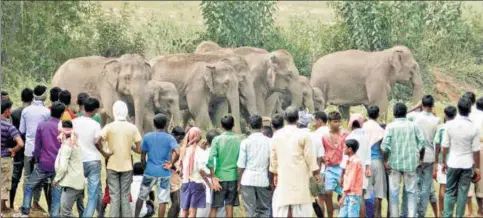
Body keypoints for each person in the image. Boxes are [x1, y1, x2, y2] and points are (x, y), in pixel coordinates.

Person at [15, 102, 66, 217]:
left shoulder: (42, 125)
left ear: (50, 111)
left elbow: (37, 146)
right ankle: (54, 214)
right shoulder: (64, 127)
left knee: (29, 186)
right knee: (56, 191)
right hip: (58, 165)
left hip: (43, 163)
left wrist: (36, 158)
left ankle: (25, 211)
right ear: (62, 114)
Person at [269, 106, 320, 217]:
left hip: (284, 177)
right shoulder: (304, 135)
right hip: (301, 177)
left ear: (285, 119)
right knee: (301, 206)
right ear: (297, 119)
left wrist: (275, 173)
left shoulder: (277, 135)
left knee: (284, 205)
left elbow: (273, 158)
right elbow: (310, 158)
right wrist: (316, 174)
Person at [382, 103, 426, 217]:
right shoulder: (413, 126)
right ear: (406, 113)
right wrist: (420, 159)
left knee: (394, 193)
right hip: (411, 164)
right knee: (411, 193)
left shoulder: (390, 127)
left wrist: (385, 161)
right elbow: (422, 143)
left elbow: (384, 147)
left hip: (394, 164)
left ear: (394, 113)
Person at [100, 100, 142, 217]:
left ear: (114, 111)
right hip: (127, 167)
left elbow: (96, 141)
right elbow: (139, 149)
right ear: (126, 112)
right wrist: (129, 144)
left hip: (112, 165)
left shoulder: (109, 127)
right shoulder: (132, 128)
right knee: (125, 196)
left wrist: (104, 153)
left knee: (114, 196)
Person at [442, 97, 481, 217]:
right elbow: (476, 151)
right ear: (470, 110)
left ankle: (447, 215)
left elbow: (445, 147)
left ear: (458, 109)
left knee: (449, 192)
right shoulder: (473, 127)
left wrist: (444, 162)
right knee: (463, 193)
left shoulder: (449, 125)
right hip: (467, 164)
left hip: (453, 162)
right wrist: (477, 168)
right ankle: (459, 215)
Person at [135, 113, 179, 218]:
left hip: (149, 171)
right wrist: (171, 163)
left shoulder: (147, 136)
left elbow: (143, 154)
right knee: (163, 200)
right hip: (164, 172)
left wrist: (144, 165)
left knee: (141, 197)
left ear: (154, 124)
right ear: (166, 124)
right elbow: (177, 152)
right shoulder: (170, 138)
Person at [407, 95, 441, 217]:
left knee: (415, 185)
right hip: (430, 156)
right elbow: (437, 142)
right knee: (426, 187)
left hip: (416, 155)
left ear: (422, 105)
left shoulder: (415, 117)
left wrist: (415, 107)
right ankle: (421, 213)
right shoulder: (436, 120)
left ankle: (414, 212)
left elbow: (401, 115)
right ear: (432, 106)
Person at [18, 85, 51, 212]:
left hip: (28, 149)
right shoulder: (47, 112)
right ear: (43, 96)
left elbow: (22, 130)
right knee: (39, 177)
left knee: (27, 177)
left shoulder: (26, 111)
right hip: (41, 151)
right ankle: (35, 203)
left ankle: (25, 204)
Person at [72, 97, 106, 217]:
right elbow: (97, 142)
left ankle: (79, 212)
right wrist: (104, 153)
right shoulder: (96, 124)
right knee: (93, 194)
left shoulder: (74, 122)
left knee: (77, 190)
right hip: (93, 161)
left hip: (78, 160)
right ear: (95, 110)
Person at [206, 115, 242, 218]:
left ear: (221, 125)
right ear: (233, 125)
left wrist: (213, 176)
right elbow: (240, 162)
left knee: (214, 207)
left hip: (220, 178)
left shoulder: (217, 140)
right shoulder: (238, 140)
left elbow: (211, 159)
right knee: (229, 207)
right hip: (233, 177)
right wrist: (239, 180)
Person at [237, 114, 271, 217]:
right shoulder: (269, 141)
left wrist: (239, 182)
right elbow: (271, 163)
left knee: (250, 211)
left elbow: (241, 166)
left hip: (247, 180)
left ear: (249, 126)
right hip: (263, 180)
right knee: (264, 209)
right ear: (262, 126)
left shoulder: (245, 142)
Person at [341, 114, 370, 217]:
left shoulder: (349, 137)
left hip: (351, 173)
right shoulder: (366, 138)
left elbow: (345, 161)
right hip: (362, 172)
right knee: (360, 198)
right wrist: (367, 169)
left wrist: (342, 176)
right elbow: (368, 157)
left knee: (349, 201)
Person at [53, 120, 84, 217]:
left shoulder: (67, 146)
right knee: (68, 211)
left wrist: (56, 180)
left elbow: (63, 167)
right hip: (77, 182)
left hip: (71, 184)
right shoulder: (75, 142)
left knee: (65, 212)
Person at [9, 88, 33, 209]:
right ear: (32, 98)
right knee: (29, 179)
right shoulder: (34, 113)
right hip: (31, 149)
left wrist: (12, 149)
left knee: (15, 179)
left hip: (18, 149)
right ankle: (27, 205)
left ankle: (11, 204)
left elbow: (11, 134)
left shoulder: (14, 113)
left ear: (21, 98)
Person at [322, 111, 348, 217]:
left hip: (343, 168)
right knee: (328, 192)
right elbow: (322, 151)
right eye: (334, 122)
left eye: (338, 121)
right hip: (330, 168)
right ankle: (330, 215)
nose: (337, 124)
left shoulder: (345, 134)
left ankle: (343, 213)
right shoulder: (325, 136)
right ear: (329, 122)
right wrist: (325, 159)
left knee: (344, 193)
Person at [179, 127, 209, 218]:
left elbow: (181, 168)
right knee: (193, 211)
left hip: (185, 182)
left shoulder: (184, 150)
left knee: (184, 209)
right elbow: (201, 169)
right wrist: (207, 183)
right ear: (198, 137)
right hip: (197, 183)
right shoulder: (200, 151)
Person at [363, 106, 387, 218]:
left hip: (365, 163)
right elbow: (383, 148)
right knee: (378, 193)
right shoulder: (381, 130)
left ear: (367, 114)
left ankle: (367, 215)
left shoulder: (362, 127)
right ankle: (378, 215)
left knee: (366, 193)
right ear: (378, 115)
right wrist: (385, 160)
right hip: (377, 161)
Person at [1, 100, 24, 213]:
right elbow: (20, 143)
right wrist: (13, 150)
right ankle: (2, 208)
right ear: (7, 111)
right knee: (4, 183)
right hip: (4, 158)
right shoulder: (9, 126)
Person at [434, 106, 457, 216]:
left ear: (445, 115)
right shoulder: (458, 127)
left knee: (442, 186)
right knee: (452, 188)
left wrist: (435, 162)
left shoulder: (441, 128)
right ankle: (449, 212)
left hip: (442, 161)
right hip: (455, 161)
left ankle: (441, 211)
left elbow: (437, 145)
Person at [197, 130, 226, 218]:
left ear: (207, 141)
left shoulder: (201, 154)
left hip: (203, 191)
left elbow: (200, 171)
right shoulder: (223, 155)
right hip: (219, 189)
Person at [338, 139, 363, 218]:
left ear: (350, 149)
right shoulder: (351, 161)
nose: (343, 149)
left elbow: (351, 181)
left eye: (344, 147)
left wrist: (343, 196)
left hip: (353, 195)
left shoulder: (355, 162)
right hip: (349, 194)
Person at [168, 126, 186, 218]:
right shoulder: (171, 143)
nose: (180, 140)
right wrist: (177, 170)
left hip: (173, 175)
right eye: (179, 138)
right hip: (172, 176)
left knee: (177, 204)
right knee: (177, 203)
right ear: (174, 135)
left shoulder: (170, 141)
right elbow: (169, 161)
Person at [471, 97, 483, 215]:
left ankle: (478, 208)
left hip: (470, 149)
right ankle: (481, 209)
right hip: (480, 149)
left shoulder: (471, 116)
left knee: (474, 179)